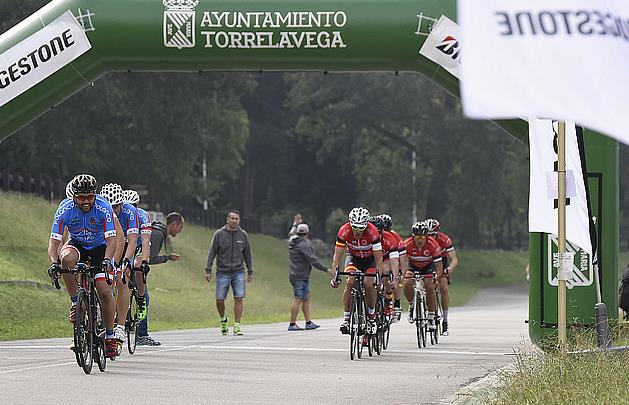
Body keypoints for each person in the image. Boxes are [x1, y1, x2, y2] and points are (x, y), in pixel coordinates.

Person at [47, 174, 119, 359]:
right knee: (66, 259)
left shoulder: (103, 207)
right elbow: (54, 242)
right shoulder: (65, 210)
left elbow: (112, 240)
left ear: (95, 195)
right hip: (77, 243)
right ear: (74, 197)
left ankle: (110, 335)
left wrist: (107, 260)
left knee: (104, 289)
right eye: (81, 197)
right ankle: (75, 302)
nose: (86, 201)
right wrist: (54, 264)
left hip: (100, 247)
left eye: (90, 197)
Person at [330, 207, 383, 336]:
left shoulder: (372, 232)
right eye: (355, 227)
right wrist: (334, 277)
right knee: (350, 281)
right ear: (350, 224)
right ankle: (347, 319)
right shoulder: (344, 231)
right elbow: (337, 257)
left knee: (369, 283)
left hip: (370, 260)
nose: (358, 231)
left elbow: (379, 258)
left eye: (361, 228)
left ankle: (371, 318)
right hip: (353, 258)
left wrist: (378, 277)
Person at [137, 211, 184, 346]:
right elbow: (149, 259)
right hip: (137, 269)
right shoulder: (158, 234)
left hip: (134, 267)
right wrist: (168, 257)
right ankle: (142, 334)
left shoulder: (157, 231)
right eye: (180, 227)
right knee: (144, 299)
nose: (180, 231)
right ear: (174, 224)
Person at [100, 183, 139, 346]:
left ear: (121, 204)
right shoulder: (100, 209)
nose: (113, 210)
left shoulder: (130, 212)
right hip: (106, 243)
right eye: (110, 207)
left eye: (115, 207)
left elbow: (131, 240)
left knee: (121, 278)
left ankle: (121, 326)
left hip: (125, 245)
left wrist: (123, 262)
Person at [204, 210, 253, 336]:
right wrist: (208, 270)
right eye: (232, 218)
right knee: (220, 299)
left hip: (238, 272)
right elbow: (212, 252)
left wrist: (250, 271)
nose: (234, 220)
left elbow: (248, 254)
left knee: (239, 297)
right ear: (227, 219)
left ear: (239, 220)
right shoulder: (219, 234)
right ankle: (223, 319)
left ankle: (237, 325)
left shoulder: (243, 235)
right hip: (223, 272)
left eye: (236, 218)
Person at [288, 223, 332, 331]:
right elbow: (313, 260)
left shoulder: (293, 242)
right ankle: (292, 324)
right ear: (307, 233)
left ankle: (308, 322)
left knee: (306, 298)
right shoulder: (303, 244)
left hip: (296, 274)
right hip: (300, 275)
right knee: (298, 299)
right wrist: (326, 269)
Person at [403, 221, 443, 331]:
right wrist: (403, 275)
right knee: (407, 283)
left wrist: (436, 278)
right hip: (413, 266)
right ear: (413, 236)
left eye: (422, 237)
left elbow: (439, 266)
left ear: (426, 236)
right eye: (417, 237)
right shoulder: (407, 244)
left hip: (428, 266)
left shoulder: (433, 245)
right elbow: (403, 262)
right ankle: (411, 306)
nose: (419, 239)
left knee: (429, 286)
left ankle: (430, 316)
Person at [425, 218, 459, 336]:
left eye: (432, 235)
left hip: (441, 262)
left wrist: (450, 269)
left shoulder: (444, 240)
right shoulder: (423, 241)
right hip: (427, 262)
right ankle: (428, 310)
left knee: (443, 288)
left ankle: (445, 320)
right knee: (427, 286)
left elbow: (454, 259)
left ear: (437, 233)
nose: (430, 237)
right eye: (427, 235)